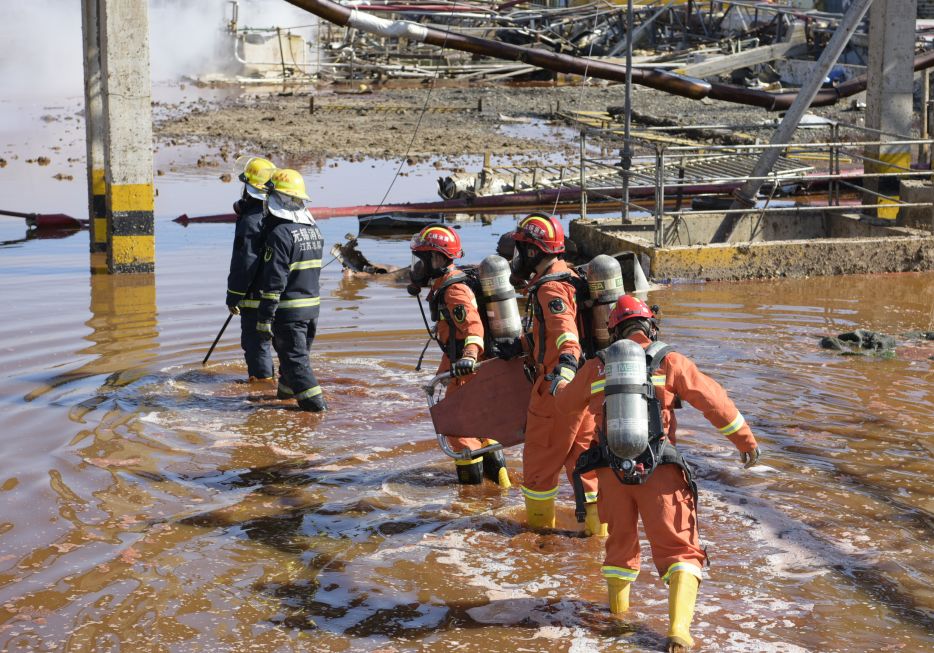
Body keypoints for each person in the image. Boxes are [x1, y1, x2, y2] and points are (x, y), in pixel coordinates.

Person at [556, 295, 761, 652]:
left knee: (619, 550)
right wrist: (745, 442)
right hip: (659, 472)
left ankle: (618, 623)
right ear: (651, 326)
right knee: (681, 551)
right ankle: (679, 631)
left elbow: (564, 406)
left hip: (611, 474)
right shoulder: (670, 360)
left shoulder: (597, 366)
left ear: (613, 330)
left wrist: (561, 380)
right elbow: (714, 401)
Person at [509, 213, 604, 535]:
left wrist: (563, 366)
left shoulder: (550, 290)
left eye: (521, 250)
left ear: (534, 252)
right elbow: (556, 332)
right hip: (588, 388)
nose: (517, 258)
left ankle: (540, 542)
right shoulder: (572, 279)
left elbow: (565, 334)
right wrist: (522, 344)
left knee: (538, 468)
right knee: (586, 467)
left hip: (557, 389)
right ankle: (597, 542)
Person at [409, 224, 510, 487]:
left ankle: (471, 495)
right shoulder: (448, 283)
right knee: (482, 423)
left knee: (456, 425)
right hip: (457, 359)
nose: (419, 265)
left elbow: (473, 327)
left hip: (466, 365)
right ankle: (499, 487)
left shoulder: (454, 290)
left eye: (422, 258)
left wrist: (468, 356)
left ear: (437, 258)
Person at [256, 168, 327, 413]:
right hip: (311, 310)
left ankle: (317, 410)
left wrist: (264, 319)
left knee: (296, 364)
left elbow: (274, 282)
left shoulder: (279, 234)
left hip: (289, 314)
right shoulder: (313, 231)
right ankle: (285, 398)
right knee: (292, 361)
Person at [225, 156, 276, 381]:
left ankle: (262, 389)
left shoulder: (250, 220)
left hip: (256, 296)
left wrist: (233, 297)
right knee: (283, 346)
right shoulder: (282, 215)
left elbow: (243, 262)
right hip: (285, 294)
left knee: (257, 344)